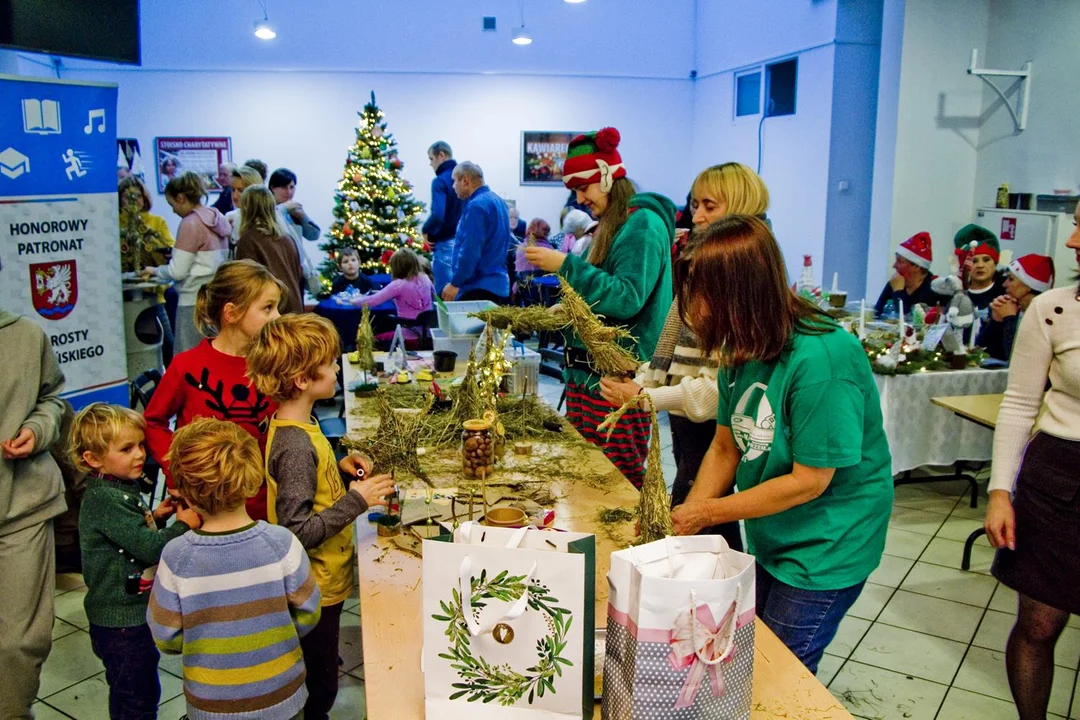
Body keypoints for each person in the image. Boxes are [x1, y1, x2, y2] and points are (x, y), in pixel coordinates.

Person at [669, 215, 892, 674]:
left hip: (827, 543)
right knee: (753, 650)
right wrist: (687, 522)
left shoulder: (822, 360)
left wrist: (708, 514)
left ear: (741, 292)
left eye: (702, 294)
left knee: (779, 671)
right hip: (775, 533)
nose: (693, 309)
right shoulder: (742, 346)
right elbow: (725, 448)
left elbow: (809, 482)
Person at [599, 162, 771, 550]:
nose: (698, 216)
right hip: (687, 425)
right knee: (697, 513)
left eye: (710, 206)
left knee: (702, 519)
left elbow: (718, 393)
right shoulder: (699, 265)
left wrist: (646, 398)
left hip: (716, 432)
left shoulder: (744, 282)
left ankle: (714, 599)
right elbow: (668, 346)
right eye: (695, 205)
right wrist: (641, 380)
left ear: (742, 207)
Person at [247, 314, 395, 720]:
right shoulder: (295, 447)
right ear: (301, 379)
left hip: (324, 581)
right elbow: (295, 530)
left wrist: (339, 463)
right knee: (320, 686)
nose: (336, 370)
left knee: (322, 663)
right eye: (329, 364)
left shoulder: (299, 427)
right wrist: (357, 500)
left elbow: (308, 479)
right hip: (314, 587)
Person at [524, 127, 674, 488]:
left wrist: (564, 265)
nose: (579, 199)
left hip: (615, 381)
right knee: (587, 477)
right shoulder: (609, 224)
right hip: (586, 377)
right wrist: (570, 311)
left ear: (607, 178)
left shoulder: (642, 225)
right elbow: (600, 293)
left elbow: (626, 297)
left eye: (583, 188)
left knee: (616, 484)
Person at [148, 418, 322, 720]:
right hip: (283, 695)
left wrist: (205, 640)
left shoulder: (177, 557)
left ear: (186, 494)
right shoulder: (281, 543)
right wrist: (274, 633)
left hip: (212, 704)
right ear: (253, 480)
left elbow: (165, 635)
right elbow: (309, 611)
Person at [983, 205, 1080, 720]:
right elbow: (1020, 404)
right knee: (1039, 624)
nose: (1072, 241)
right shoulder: (1054, 309)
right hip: (1058, 479)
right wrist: (1001, 490)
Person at [70, 403, 200, 718]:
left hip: (125, 616)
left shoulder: (116, 488)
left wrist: (153, 516)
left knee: (131, 692)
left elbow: (124, 534)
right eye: (126, 449)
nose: (140, 454)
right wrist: (185, 524)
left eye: (140, 445)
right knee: (137, 698)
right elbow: (149, 549)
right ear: (93, 459)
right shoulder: (106, 500)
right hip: (122, 624)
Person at [144, 260, 284, 521]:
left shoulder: (273, 364)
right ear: (231, 313)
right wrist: (175, 471)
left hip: (265, 507)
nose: (277, 316)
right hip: (206, 510)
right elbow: (153, 421)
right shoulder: (187, 366)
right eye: (267, 308)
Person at [0, 307, 65, 720]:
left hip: (20, 504)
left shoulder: (25, 335)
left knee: (20, 643)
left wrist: (39, 428)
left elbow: (52, 399)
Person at [142, 171, 231, 354]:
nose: (173, 210)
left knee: (189, 360)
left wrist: (155, 270)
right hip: (215, 300)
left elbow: (177, 271)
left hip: (192, 302)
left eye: (172, 204)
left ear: (181, 197)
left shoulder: (190, 223)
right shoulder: (217, 218)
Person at [441, 161, 511, 304]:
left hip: (478, 288)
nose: (453, 187)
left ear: (465, 180)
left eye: (454, 181)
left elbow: (470, 250)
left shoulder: (476, 207)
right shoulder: (498, 201)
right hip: (500, 287)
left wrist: (455, 283)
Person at [236, 184, 306, 314]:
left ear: (246, 207)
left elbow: (247, 283)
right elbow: (298, 274)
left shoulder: (248, 240)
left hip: (270, 311)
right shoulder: (286, 238)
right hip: (293, 306)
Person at [977, 254, 1054, 361]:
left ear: (1028, 285)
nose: (1004, 284)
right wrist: (996, 321)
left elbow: (1016, 359)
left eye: (1011, 279)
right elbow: (980, 350)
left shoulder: (1044, 318)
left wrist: (1009, 319)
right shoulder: (1013, 308)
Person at [352, 247, 434, 347]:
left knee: (374, 339)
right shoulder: (424, 277)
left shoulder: (398, 284)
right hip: (429, 335)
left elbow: (374, 300)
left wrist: (353, 301)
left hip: (406, 338)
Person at [269, 168, 323, 296]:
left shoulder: (293, 210)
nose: (289, 192)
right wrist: (283, 208)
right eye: (283, 187)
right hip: (275, 270)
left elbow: (313, 235)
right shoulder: (269, 211)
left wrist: (303, 217)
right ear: (272, 188)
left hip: (296, 270)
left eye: (292, 187)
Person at [422, 141, 463, 296]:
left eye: (431, 159)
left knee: (444, 298)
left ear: (441, 156)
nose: (431, 164)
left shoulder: (440, 181)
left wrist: (426, 230)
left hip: (446, 244)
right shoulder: (465, 179)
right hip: (464, 244)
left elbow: (438, 216)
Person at [873, 231, 948, 315]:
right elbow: (876, 315)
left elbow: (906, 319)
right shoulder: (894, 283)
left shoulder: (936, 290)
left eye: (899, 261)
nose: (894, 265)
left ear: (916, 267)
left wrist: (898, 292)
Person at [118, 175, 174, 271]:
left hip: (156, 280)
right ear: (119, 199)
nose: (134, 200)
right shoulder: (113, 224)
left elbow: (171, 249)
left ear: (145, 198)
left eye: (139, 196)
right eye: (127, 196)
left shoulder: (158, 221)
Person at [953, 224, 1006, 319]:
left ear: (995, 263)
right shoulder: (957, 294)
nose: (980, 265)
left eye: (986, 260)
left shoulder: (1006, 293)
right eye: (974, 261)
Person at [225, 164, 265, 247]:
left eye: (241, 190)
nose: (235, 196)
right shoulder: (231, 217)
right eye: (232, 190)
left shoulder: (268, 220)